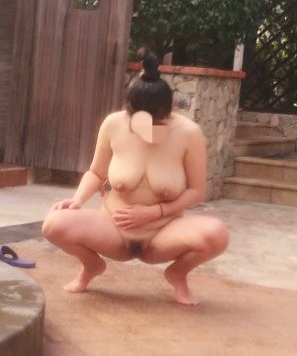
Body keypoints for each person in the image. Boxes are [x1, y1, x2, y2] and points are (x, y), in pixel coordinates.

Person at [41, 51, 230, 305]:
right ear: (131, 112)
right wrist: (78, 200)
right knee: (53, 224)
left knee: (217, 234)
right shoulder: (113, 124)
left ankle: (177, 273)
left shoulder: (189, 133)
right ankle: (92, 266)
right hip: (112, 229)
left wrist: (155, 213)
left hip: (163, 233)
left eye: (157, 121)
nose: (149, 128)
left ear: (168, 110)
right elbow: (96, 173)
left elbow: (196, 191)